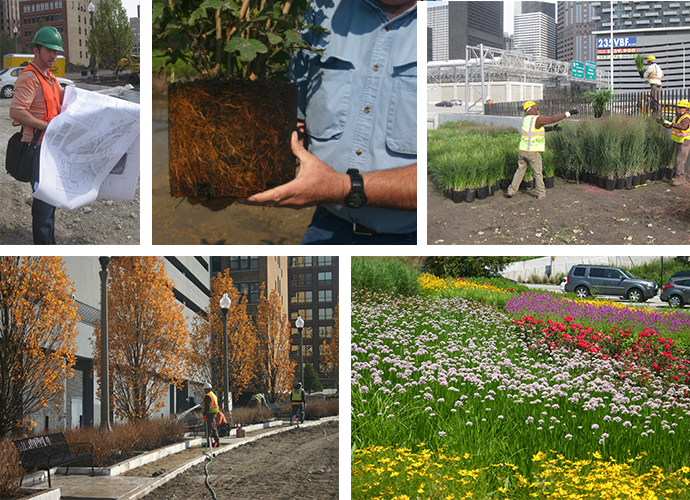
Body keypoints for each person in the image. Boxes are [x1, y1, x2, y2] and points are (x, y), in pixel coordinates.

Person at [191, 0, 418, 245]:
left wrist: (340, 187)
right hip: (327, 225)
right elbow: (295, 121)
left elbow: (431, 179)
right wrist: (236, 180)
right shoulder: (324, 10)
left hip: (408, 236)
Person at [9, 27, 65, 245]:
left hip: (49, 149)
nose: (53, 55)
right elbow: (16, 112)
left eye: (56, 52)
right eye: (49, 50)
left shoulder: (50, 79)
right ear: (36, 51)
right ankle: (44, 246)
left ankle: (49, 244)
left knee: (50, 203)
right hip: (37, 150)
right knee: (43, 206)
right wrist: (46, 126)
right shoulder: (30, 78)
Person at [505, 101, 578, 200]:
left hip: (523, 150)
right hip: (533, 152)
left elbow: (537, 128)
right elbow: (552, 119)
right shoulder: (537, 118)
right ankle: (541, 194)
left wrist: (552, 129)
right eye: (536, 107)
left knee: (519, 171)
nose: (538, 109)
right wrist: (568, 113)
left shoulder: (527, 119)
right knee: (538, 173)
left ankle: (511, 191)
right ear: (532, 108)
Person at [659, 99, 690, 186]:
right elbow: (671, 125)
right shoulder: (678, 116)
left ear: (686, 109)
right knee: (678, 159)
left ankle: (680, 178)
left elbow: (683, 126)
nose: (678, 109)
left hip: (685, 141)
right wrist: (663, 123)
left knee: (680, 160)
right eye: (678, 107)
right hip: (680, 140)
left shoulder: (686, 117)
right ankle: (679, 177)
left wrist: (671, 124)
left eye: (680, 107)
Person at [202, 382, 220, 448]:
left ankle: (213, 442)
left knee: (210, 428)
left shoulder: (208, 396)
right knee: (212, 427)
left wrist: (205, 414)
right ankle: (214, 442)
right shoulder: (213, 395)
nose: (204, 391)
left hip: (210, 414)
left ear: (207, 389)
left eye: (205, 389)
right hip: (213, 413)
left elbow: (207, 406)